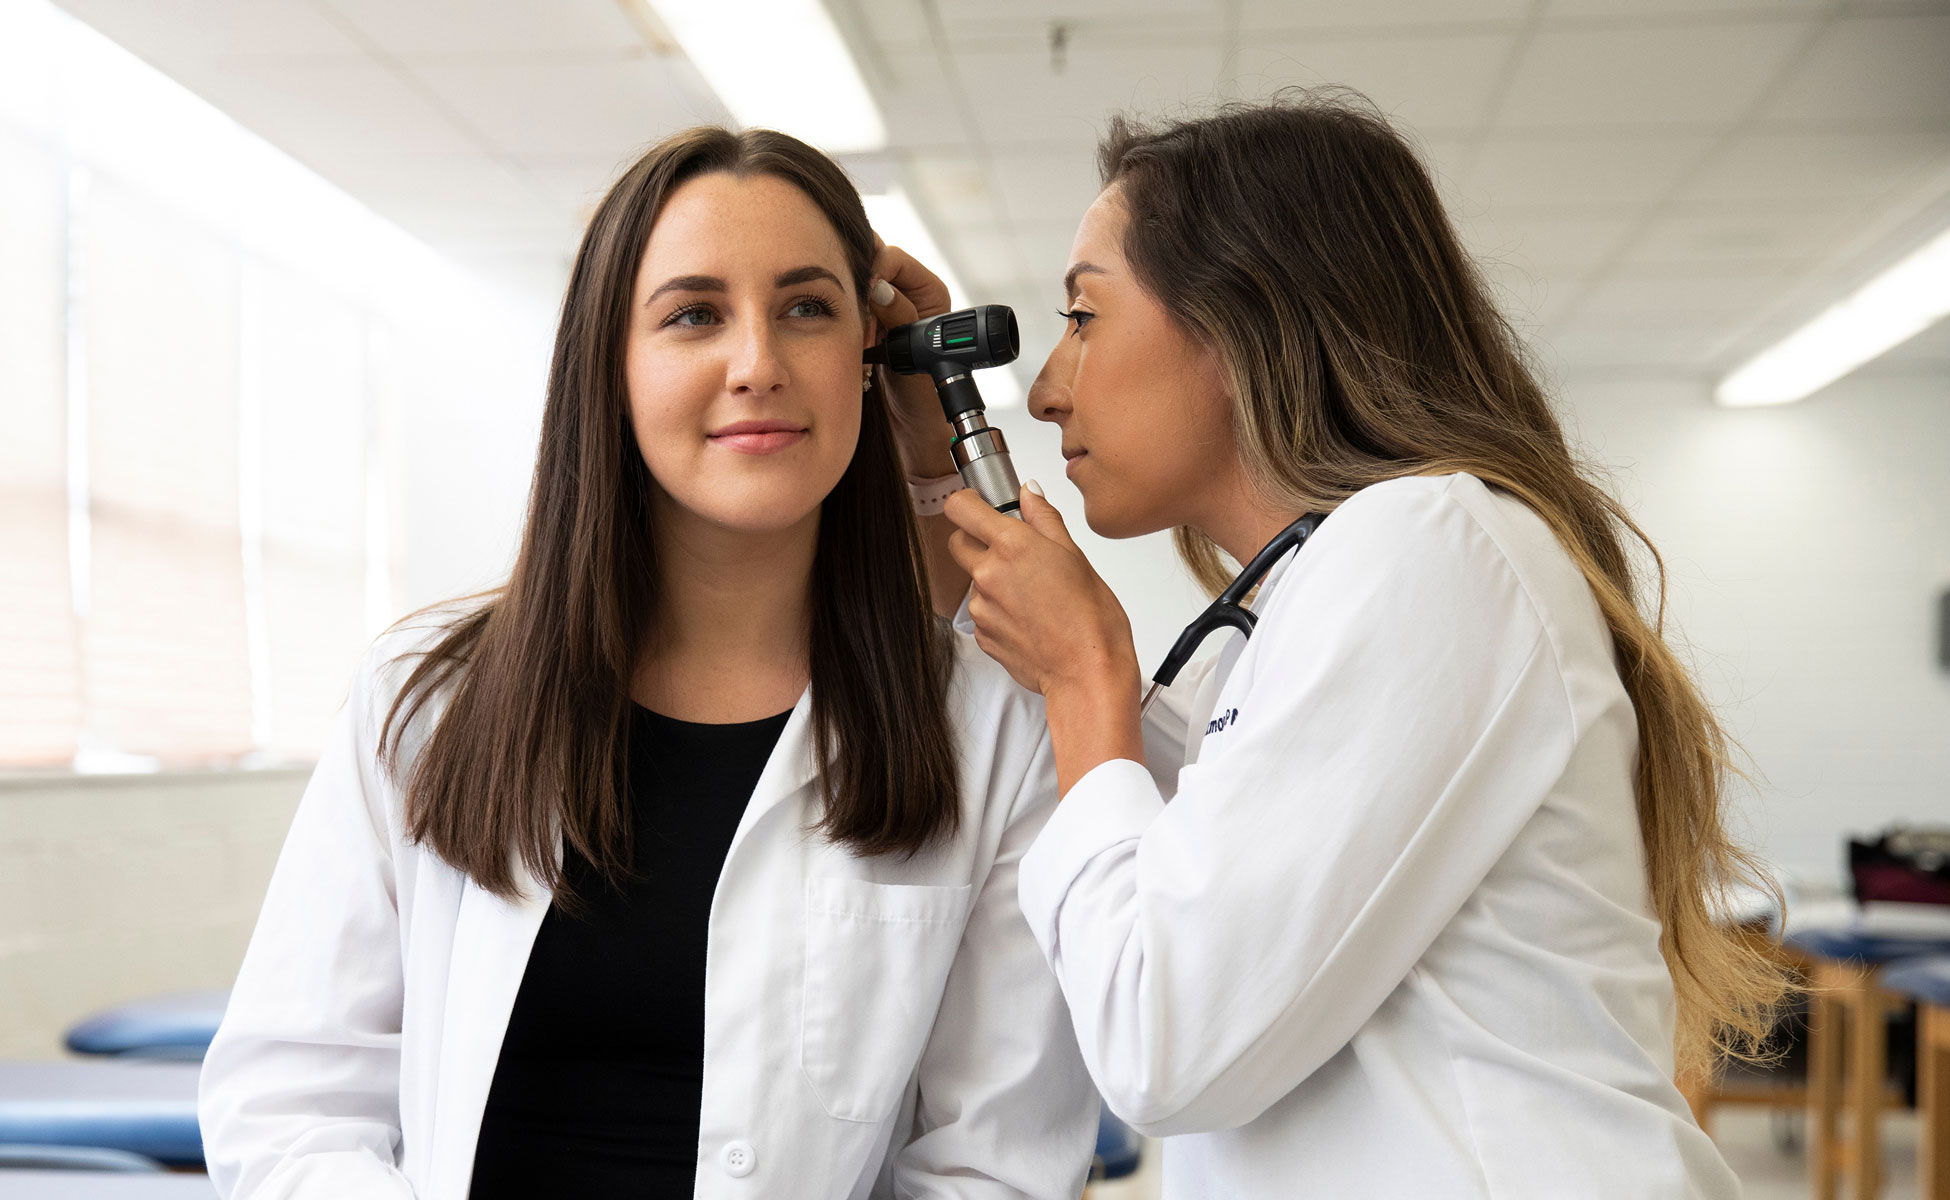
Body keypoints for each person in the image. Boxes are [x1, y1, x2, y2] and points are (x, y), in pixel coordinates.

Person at [197, 126, 1096, 1200]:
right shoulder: (424, 697)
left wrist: (935, 486)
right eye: (694, 315)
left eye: (808, 307)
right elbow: (291, 1099)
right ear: (609, 365)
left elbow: (994, 1167)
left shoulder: (989, 727)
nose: (758, 363)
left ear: (871, 353)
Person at [935, 93, 1791, 1197]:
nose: (1049, 390)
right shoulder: (1295, 612)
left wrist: (1087, 672)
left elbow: (1161, 1041)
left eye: (1085, 319)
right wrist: (933, 484)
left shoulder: (1431, 546)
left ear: (1245, 323)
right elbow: (1110, 871)